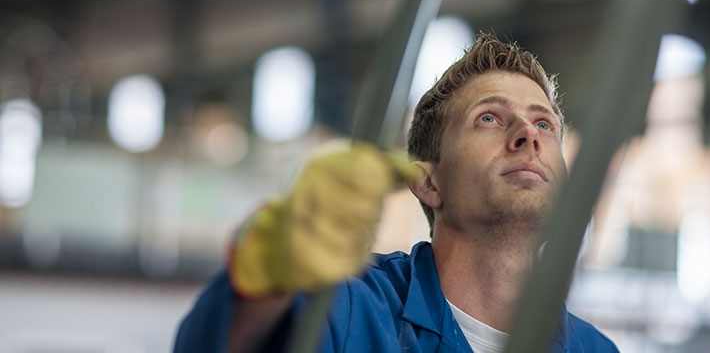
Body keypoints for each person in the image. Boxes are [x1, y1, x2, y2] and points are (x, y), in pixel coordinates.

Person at [175, 33, 619, 353]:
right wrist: (268, 273)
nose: (528, 134)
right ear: (428, 182)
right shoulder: (351, 309)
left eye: (545, 124)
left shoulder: (595, 349)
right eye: (489, 118)